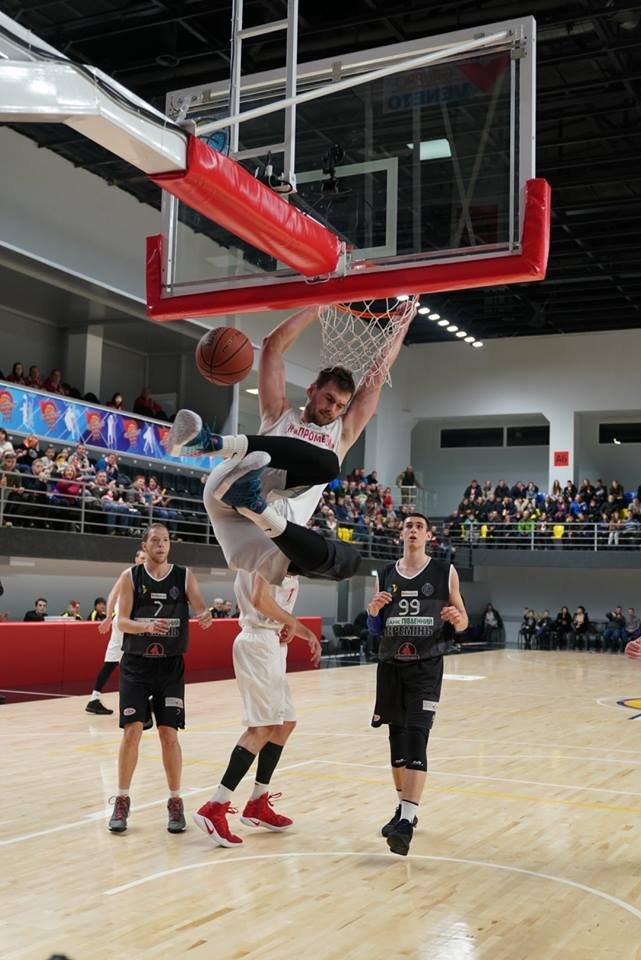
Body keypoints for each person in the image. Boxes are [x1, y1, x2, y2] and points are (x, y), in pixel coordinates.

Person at [167, 302, 416, 587]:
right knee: (326, 464)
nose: (332, 410)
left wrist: (402, 325)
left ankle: (254, 504)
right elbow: (272, 346)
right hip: (228, 484)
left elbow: (377, 377)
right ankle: (208, 441)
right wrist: (320, 303)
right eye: (329, 399)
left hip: (261, 528)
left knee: (348, 563)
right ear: (311, 390)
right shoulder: (279, 413)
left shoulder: (342, 432)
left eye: (340, 406)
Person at [193, 570, 320, 846]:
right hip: (258, 643)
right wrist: (293, 624)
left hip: (272, 642)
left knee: (285, 723)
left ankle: (257, 803)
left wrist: (303, 632)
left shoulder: (282, 558)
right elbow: (261, 601)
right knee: (262, 727)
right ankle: (214, 807)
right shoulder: (263, 557)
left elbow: (278, 611)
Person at [366, 512, 468, 856]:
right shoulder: (385, 573)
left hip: (426, 666)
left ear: (428, 536)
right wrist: (373, 613)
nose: (413, 530)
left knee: (416, 738)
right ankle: (402, 808)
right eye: (408, 526)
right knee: (396, 746)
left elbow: (463, 622)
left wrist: (456, 617)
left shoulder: (444, 571)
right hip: (391, 666)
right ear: (401, 534)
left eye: (419, 527)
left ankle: (407, 822)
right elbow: (376, 628)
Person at [108, 524, 212, 834]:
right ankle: (122, 800)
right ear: (145, 545)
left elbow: (201, 607)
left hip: (170, 666)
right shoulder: (131, 577)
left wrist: (205, 615)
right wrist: (147, 626)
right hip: (136, 665)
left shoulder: (184, 575)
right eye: (155, 540)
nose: (161, 545)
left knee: (169, 734)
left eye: (165, 540)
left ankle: (175, 801)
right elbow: (122, 622)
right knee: (132, 731)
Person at [85, 549, 146, 716]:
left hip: (125, 623)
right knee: (140, 660)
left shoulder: (146, 577)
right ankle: (143, 700)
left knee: (112, 661)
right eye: (142, 558)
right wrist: (107, 617)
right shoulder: (129, 574)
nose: (144, 561)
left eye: (146, 559)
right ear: (135, 559)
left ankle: (94, 699)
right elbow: (112, 595)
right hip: (125, 624)